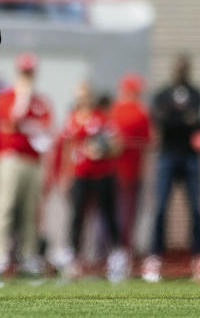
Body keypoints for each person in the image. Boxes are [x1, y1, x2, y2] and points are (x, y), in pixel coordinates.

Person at [142, 54, 200, 283]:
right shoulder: (162, 94)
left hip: (190, 157)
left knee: (196, 209)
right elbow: (161, 120)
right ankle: (155, 257)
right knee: (160, 207)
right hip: (168, 155)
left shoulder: (197, 94)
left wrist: (178, 119)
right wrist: (183, 119)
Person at [0, 52, 52, 276]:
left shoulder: (41, 101)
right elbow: (10, 122)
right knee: (4, 207)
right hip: (10, 158)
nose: (28, 76)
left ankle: (28, 255)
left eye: (30, 72)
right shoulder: (8, 97)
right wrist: (23, 99)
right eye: (25, 72)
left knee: (30, 211)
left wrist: (27, 124)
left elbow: (45, 130)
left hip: (32, 160)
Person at [62, 86, 124, 281]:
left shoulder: (101, 118)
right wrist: (66, 174)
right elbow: (68, 148)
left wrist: (101, 149)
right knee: (77, 216)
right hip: (81, 175)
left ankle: (117, 255)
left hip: (102, 175)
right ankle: (73, 257)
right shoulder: (72, 119)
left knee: (107, 214)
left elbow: (117, 144)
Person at [109, 72, 150, 274]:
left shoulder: (116, 110)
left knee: (121, 216)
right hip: (124, 172)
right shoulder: (135, 112)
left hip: (125, 172)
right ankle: (122, 254)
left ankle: (119, 254)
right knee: (125, 216)